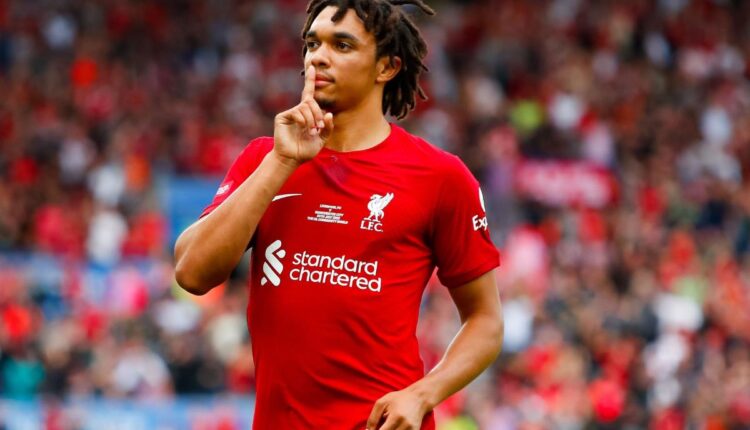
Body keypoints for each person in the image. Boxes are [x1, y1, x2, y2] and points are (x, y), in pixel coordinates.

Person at [174, 1, 503, 428]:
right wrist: (281, 162)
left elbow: (486, 321)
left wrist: (423, 393)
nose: (318, 57)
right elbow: (191, 273)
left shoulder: (441, 177)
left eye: (342, 45)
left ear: (387, 66)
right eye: (313, 44)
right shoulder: (266, 159)